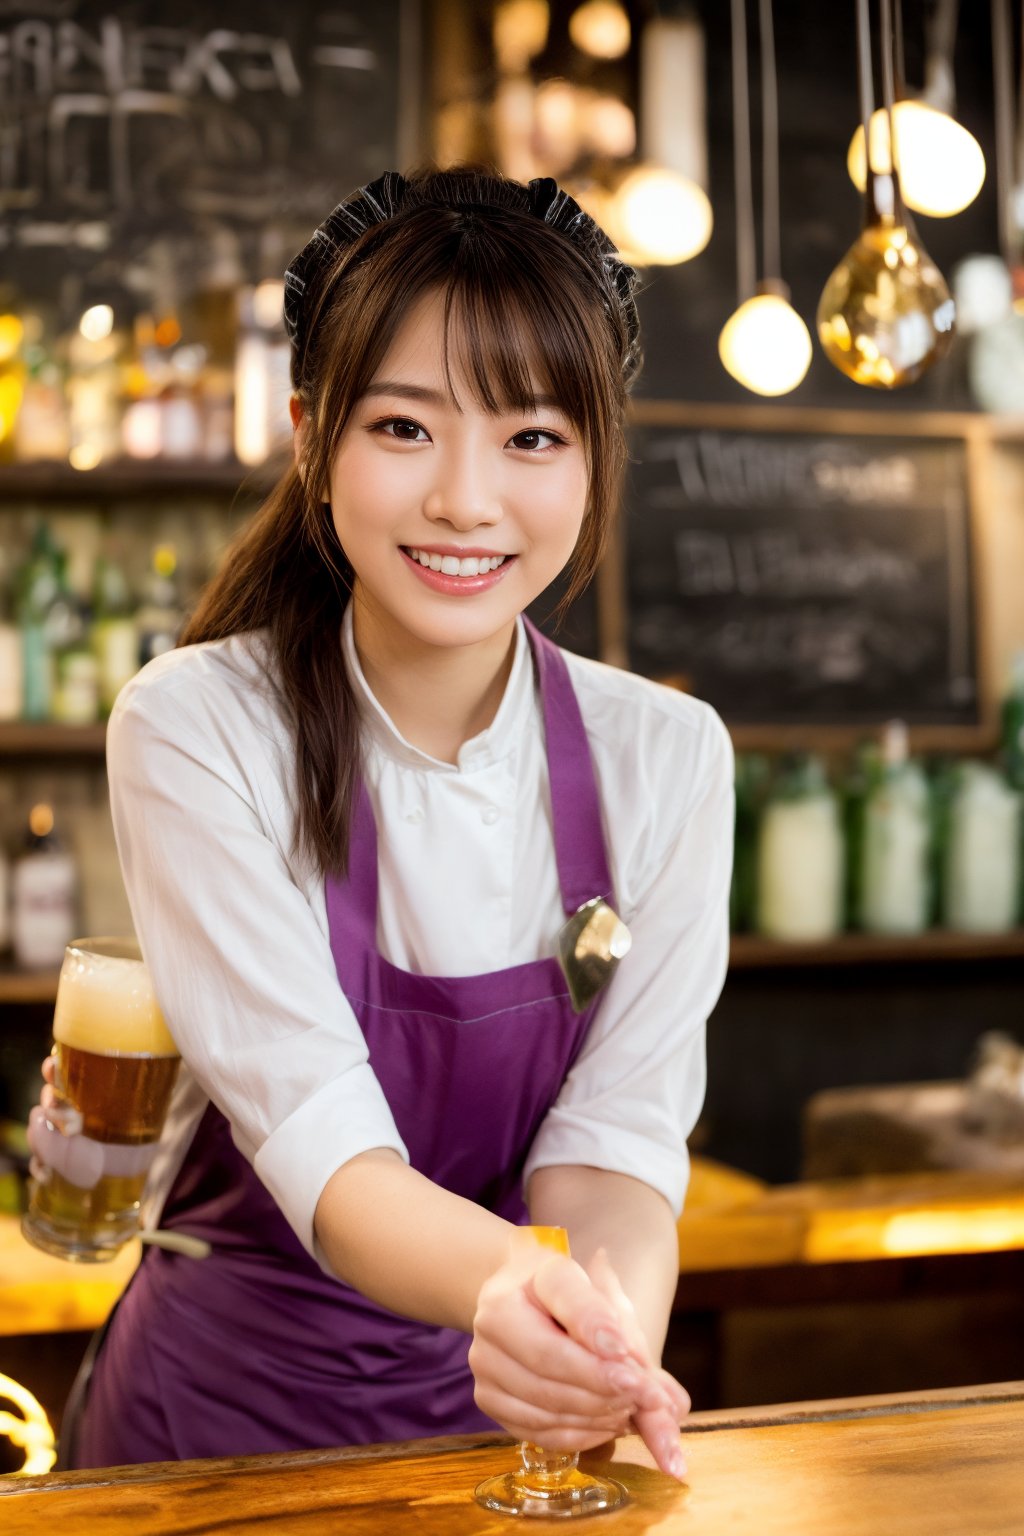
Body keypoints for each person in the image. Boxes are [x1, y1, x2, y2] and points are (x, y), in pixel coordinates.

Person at [28, 164, 734, 1475]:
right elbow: (335, 1165)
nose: (467, 499)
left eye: (532, 438)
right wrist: (531, 1296)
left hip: (507, 1434)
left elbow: (616, 1149)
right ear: (312, 437)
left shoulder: (668, 758)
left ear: (595, 459)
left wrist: (597, 1353)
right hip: (218, 1440)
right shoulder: (195, 729)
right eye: (405, 428)